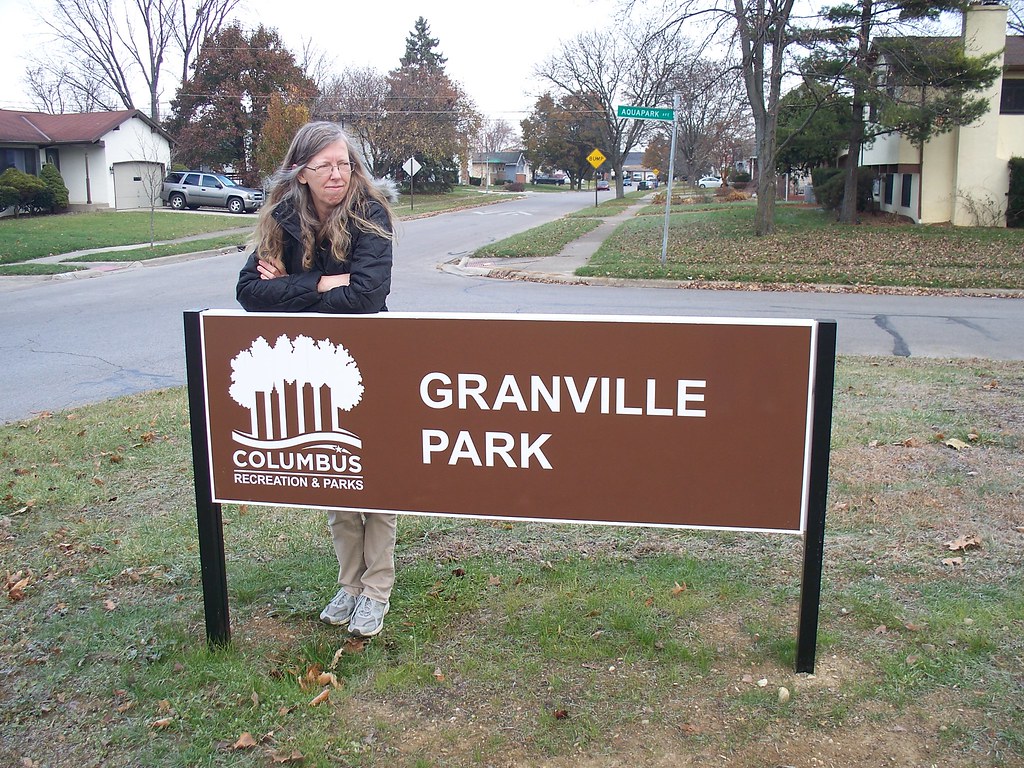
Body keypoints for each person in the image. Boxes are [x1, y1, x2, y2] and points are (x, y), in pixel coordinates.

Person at [236, 120, 398, 638]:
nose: (337, 174)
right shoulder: (282, 218)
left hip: (371, 357)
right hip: (315, 363)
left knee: (377, 482)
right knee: (336, 476)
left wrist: (293, 286)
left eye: (344, 164)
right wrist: (326, 280)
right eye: (325, 165)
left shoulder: (372, 214)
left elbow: (368, 296)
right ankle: (349, 583)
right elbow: (249, 292)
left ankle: (376, 590)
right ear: (301, 172)